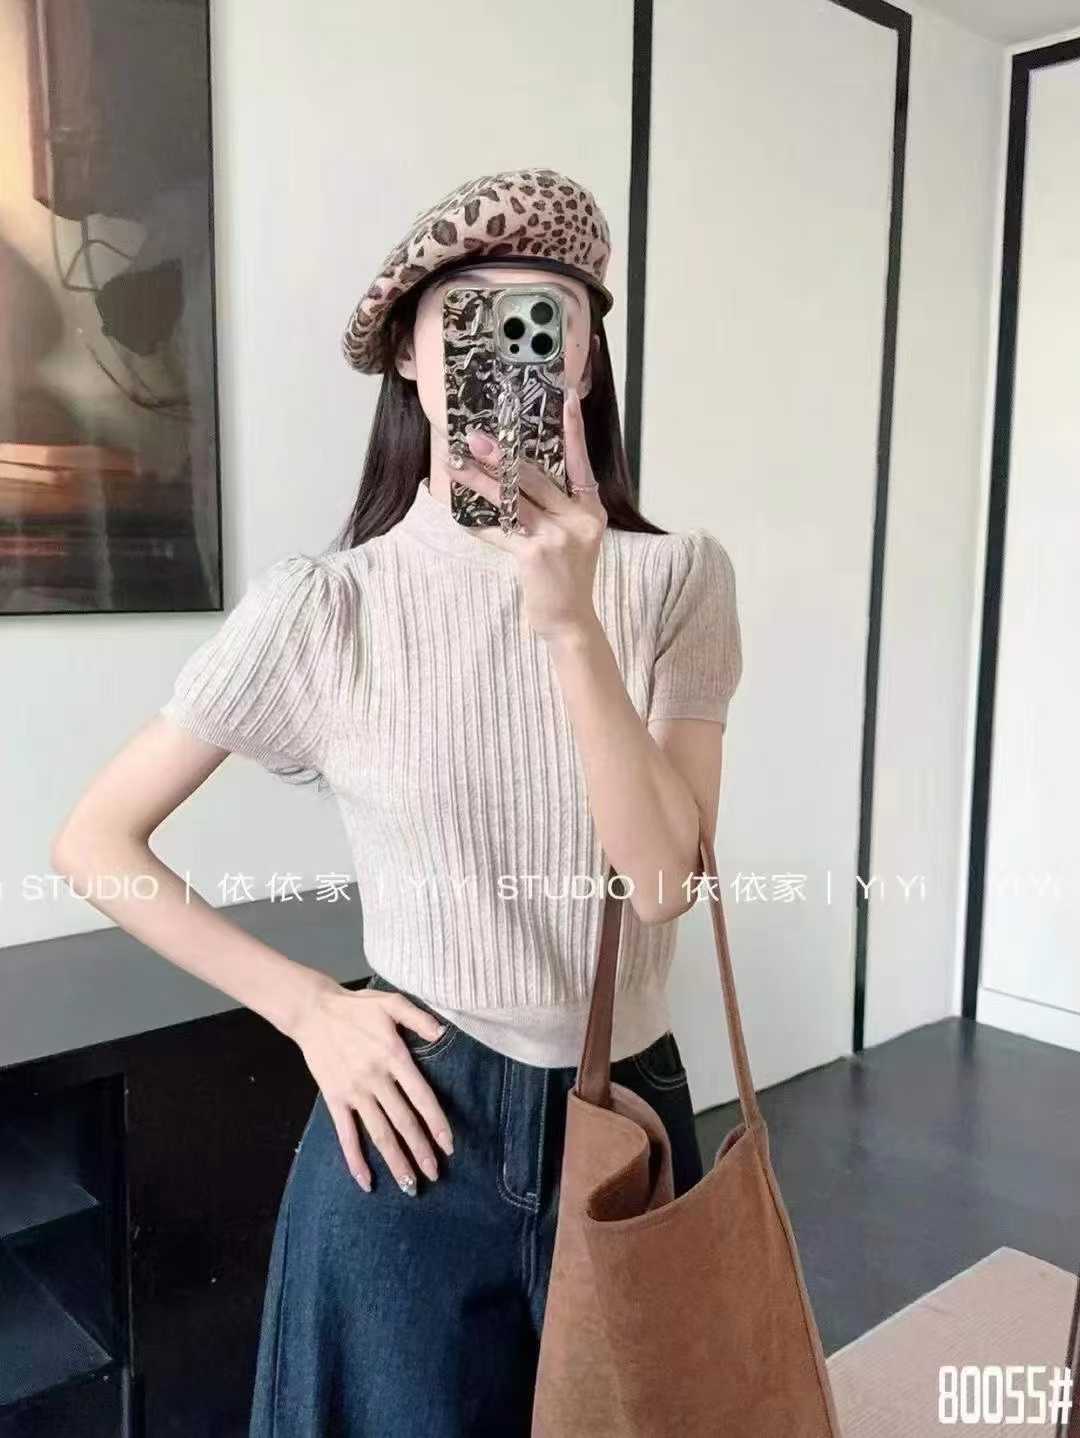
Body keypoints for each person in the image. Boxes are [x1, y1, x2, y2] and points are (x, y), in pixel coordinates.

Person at [50, 167, 743, 1437]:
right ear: (412, 361)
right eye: (466, 319)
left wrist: (572, 627)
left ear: (585, 361)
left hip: (626, 1106)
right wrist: (309, 1008)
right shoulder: (329, 608)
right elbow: (96, 840)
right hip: (417, 1119)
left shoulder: (676, 582)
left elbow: (661, 885)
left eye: (546, 320)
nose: (510, 350)